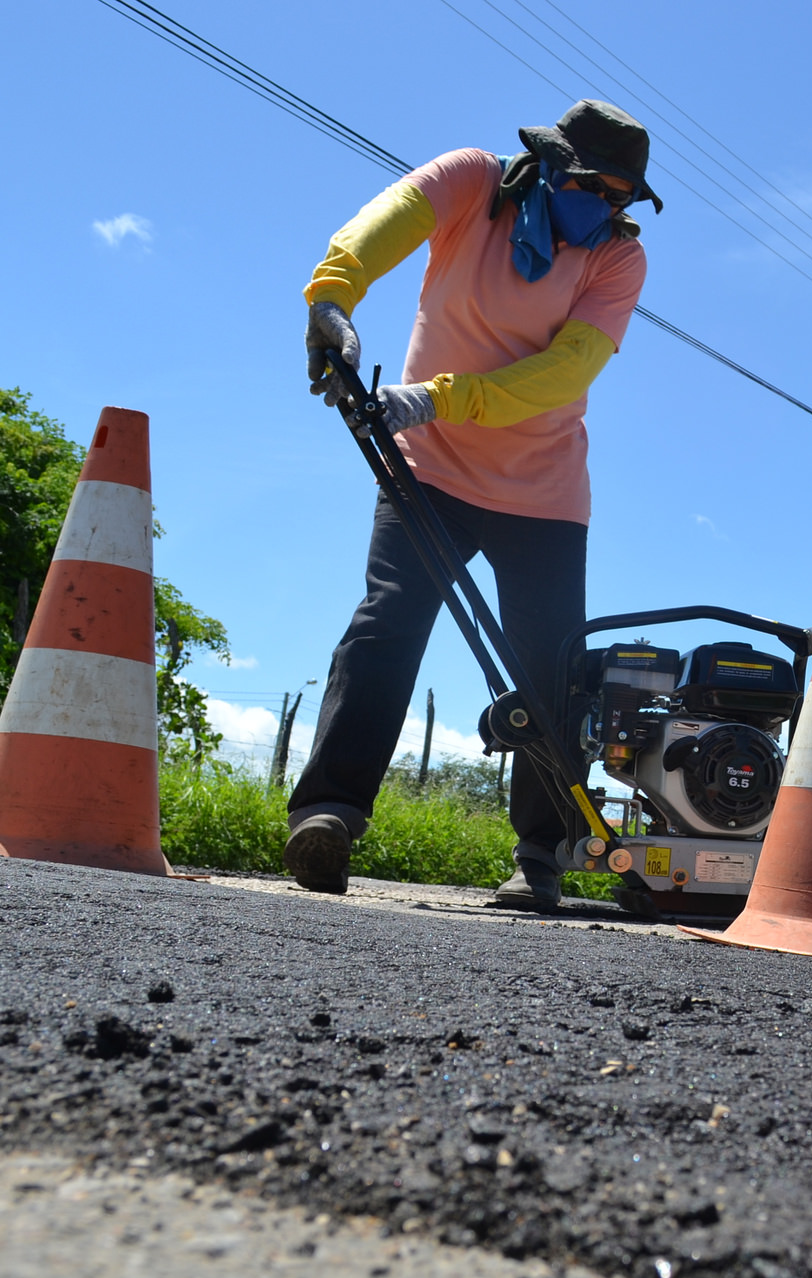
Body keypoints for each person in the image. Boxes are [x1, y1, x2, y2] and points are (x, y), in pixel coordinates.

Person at [281, 100, 662, 902]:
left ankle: (540, 856)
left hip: (544, 491)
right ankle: (328, 815)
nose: (610, 208)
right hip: (430, 469)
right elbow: (380, 225)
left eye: (626, 198)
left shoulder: (617, 262)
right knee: (386, 625)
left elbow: (566, 373)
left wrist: (437, 397)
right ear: (552, 167)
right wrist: (332, 300)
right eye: (598, 187)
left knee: (550, 669)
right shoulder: (472, 183)